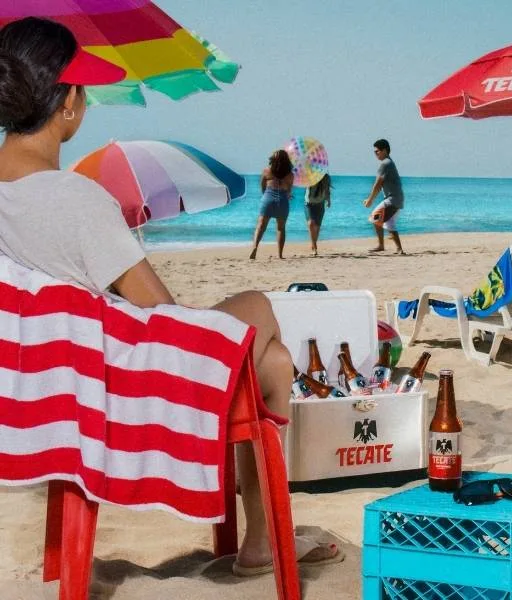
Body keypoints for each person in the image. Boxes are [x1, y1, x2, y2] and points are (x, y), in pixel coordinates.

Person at [0, 18, 341, 576]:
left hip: (45, 386)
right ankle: (262, 542)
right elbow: (163, 313)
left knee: (273, 360)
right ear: (67, 103)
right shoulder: (74, 199)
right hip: (116, 387)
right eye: (82, 91)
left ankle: (259, 541)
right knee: (258, 307)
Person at [250, 149, 294, 260]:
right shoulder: (290, 175)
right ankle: (280, 255)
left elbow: (262, 187)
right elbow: (289, 190)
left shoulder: (266, 171)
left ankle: (255, 248)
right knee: (280, 228)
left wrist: (266, 196)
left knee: (260, 226)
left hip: (268, 199)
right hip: (282, 201)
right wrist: (288, 194)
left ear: (272, 159)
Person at [363, 138, 405, 254]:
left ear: (384, 150)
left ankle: (385, 246)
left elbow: (377, 184)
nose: (375, 154)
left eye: (377, 151)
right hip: (397, 199)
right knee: (386, 222)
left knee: (375, 218)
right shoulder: (389, 162)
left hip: (393, 199)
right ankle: (396, 248)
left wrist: (370, 200)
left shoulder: (385, 163)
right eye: (374, 152)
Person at [304, 173, 331, 256]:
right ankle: (314, 246)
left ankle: (313, 243)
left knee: (317, 227)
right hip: (309, 203)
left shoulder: (326, 177)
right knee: (311, 223)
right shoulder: (309, 176)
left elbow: (327, 189)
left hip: (320, 203)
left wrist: (328, 200)